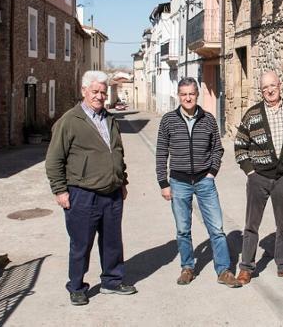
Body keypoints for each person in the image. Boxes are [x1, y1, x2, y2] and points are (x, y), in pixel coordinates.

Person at [45, 70, 137, 306]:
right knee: (80, 243)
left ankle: (112, 281)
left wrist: (122, 181)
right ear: (84, 91)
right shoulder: (69, 121)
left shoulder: (109, 119)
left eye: (103, 92)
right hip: (82, 193)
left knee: (112, 241)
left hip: (112, 192)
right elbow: (54, 159)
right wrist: (60, 190)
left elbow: (117, 152)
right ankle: (76, 287)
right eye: (95, 91)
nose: (99, 96)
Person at [156, 77, 241, 288]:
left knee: (217, 228)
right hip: (178, 181)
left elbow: (217, 148)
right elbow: (161, 153)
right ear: (179, 95)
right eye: (184, 94)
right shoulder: (168, 120)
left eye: (191, 94)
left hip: (205, 180)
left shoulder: (208, 119)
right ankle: (187, 267)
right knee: (183, 229)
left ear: (197, 95)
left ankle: (224, 270)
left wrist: (212, 171)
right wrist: (163, 183)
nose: (187, 98)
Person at [234, 71, 283, 285]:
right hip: (258, 177)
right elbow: (240, 146)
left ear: (280, 85)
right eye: (265, 88)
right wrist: (250, 171)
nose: (269, 90)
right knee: (251, 225)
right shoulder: (252, 114)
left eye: (272, 86)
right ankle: (246, 268)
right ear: (261, 91)